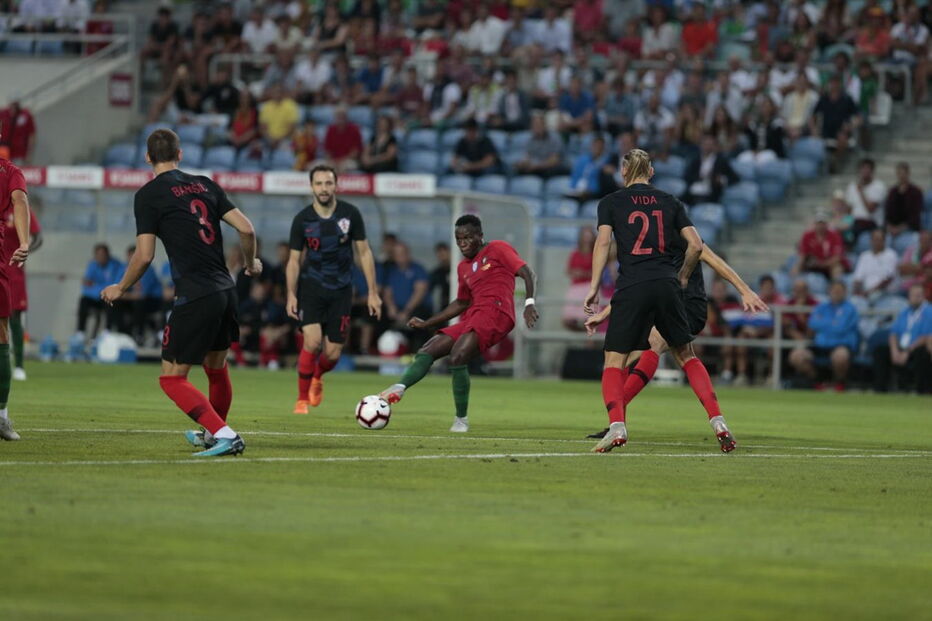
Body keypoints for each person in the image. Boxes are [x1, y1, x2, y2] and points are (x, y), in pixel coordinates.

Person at [101, 128, 261, 457]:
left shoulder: (148, 195)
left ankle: (225, 434)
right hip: (225, 290)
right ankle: (211, 435)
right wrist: (250, 263)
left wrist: (120, 286)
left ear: (147, 157)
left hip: (196, 293)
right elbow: (246, 228)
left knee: (171, 379)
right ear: (181, 154)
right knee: (216, 369)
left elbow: (144, 255)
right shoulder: (205, 183)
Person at [581, 149, 740, 454]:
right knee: (686, 356)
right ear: (651, 172)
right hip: (667, 284)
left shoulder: (611, 202)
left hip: (632, 285)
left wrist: (593, 287)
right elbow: (695, 245)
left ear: (624, 172)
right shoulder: (670, 201)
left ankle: (617, 426)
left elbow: (603, 243)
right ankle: (718, 421)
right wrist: (682, 275)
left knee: (614, 361)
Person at [377, 215, 538, 432]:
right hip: (474, 314)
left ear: (480, 236)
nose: (462, 243)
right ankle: (400, 386)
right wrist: (428, 323)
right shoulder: (463, 267)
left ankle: (461, 420)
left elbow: (528, 273)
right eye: (458, 239)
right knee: (428, 349)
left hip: (497, 312)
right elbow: (462, 302)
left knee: (458, 356)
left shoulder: (498, 249)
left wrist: (529, 303)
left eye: (468, 238)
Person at [286, 165, 381, 414]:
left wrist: (373, 291)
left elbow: (364, 252)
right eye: (319, 184)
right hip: (312, 287)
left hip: (341, 290)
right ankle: (301, 399)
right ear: (312, 187)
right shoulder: (302, 219)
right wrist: (291, 294)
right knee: (313, 341)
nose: (324, 188)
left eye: (328, 183)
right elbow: (294, 260)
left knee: (333, 352)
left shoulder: (350, 214)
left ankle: (318, 375)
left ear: (336, 185)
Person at [0, 140, 33, 441]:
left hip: (8, 266)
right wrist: (24, 243)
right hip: (3, 262)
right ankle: (1, 416)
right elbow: (20, 200)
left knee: (11, 324)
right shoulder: (10, 172)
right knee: (2, 333)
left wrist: (24, 243)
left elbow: (21, 204)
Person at [787, 280, 859, 391]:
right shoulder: (821, 307)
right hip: (819, 346)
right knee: (796, 356)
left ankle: (839, 383)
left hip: (841, 345)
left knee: (840, 357)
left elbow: (840, 328)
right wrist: (832, 323)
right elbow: (812, 324)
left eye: (839, 290)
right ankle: (816, 381)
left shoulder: (850, 309)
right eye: (834, 290)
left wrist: (823, 324)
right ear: (829, 291)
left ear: (845, 292)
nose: (836, 292)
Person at [1, 209, 40, 381]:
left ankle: (19, 366)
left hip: (14, 271)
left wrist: (25, 251)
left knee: (15, 316)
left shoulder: (21, 209)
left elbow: (38, 237)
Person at [872, 284, 932, 394]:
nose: (915, 298)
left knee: (922, 353)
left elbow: (927, 336)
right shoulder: (904, 312)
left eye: (918, 295)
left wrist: (907, 352)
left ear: (923, 296)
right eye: (913, 295)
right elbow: (893, 333)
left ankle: (922, 390)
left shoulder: (929, 312)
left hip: (917, 347)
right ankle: (880, 390)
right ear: (908, 297)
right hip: (902, 346)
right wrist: (894, 351)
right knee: (880, 351)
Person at [77, 243, 123, 338]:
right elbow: (86, 285)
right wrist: (101, 289)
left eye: (103, 255)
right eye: (98, 255)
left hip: (108, 297)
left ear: (108, 255)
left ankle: (107, 331)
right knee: (83, 300)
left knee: (110, 301)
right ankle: (80, 332)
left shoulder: (116, 265)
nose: (101, 257)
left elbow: (115, 285)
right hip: (97, 296)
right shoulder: (92, 265)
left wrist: (96, 286)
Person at [792, 210, 850, 279]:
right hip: (814, 264)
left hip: (829, 265)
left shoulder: (835, 236)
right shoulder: (807, 235)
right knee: (797, 265)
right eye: (819, 223)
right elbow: (803, 254)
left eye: (823, 223)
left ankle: (835, 286)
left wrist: (821, 264)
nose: (820, 226)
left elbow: (837, 258)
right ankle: (793, 284)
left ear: (826, 224)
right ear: (815, 224)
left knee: (837, 268)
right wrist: (798, 266)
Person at [684, 134, 738, 204]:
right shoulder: (695, 160)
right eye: (705, 144)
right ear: (701, 145)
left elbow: (735, 178)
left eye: (710, 144)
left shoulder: (721, 161)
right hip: (694, 191)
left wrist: (721, 180)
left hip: (711, 193)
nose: (707, 147)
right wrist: (698, 178)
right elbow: (687, 176)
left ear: (714, 146)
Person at [852, 229, 899, 299]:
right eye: (875, 240)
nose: (877, 242)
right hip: (865, 291)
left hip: (883, 292)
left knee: (874, 296)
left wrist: (869, 292)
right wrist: (858, 291)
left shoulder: (891, 255)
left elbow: (888, 279)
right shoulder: (864, 256)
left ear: (884, 241)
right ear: (870, 241)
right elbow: (858, 279)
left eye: (880, 240)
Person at [845, 158, 887, 235]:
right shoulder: (852, 187)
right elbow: (849, 210)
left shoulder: (879, 186)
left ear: (872, 171)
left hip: (871, 223)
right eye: (862, 168)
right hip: (855, 222)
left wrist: (861, 192)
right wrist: (846, 224)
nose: (865, 171)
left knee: (852, 232)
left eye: (867, 168)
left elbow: (870, 209)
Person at [884, 162, 923, 235]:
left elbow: (915, 215)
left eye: (903, 173)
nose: (901, 176)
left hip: (909, 228)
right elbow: (888, 212)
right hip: (892, 228)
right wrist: (890, 226)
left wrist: (900, 228)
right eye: (899, 173)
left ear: (908, 174)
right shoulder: (892, 191)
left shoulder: (915, 192)